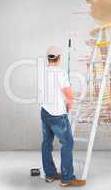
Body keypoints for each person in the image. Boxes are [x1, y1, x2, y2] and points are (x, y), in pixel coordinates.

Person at [39, 46, 86, 187]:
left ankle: (50, 174)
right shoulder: (61, 73)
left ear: (48, 58)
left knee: (47, 143)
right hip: (58, 114)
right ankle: (67, 178)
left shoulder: (42, 72)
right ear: (59, 58)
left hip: (44, 111)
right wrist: (68, 104)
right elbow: (70, 96)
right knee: (67, 143)